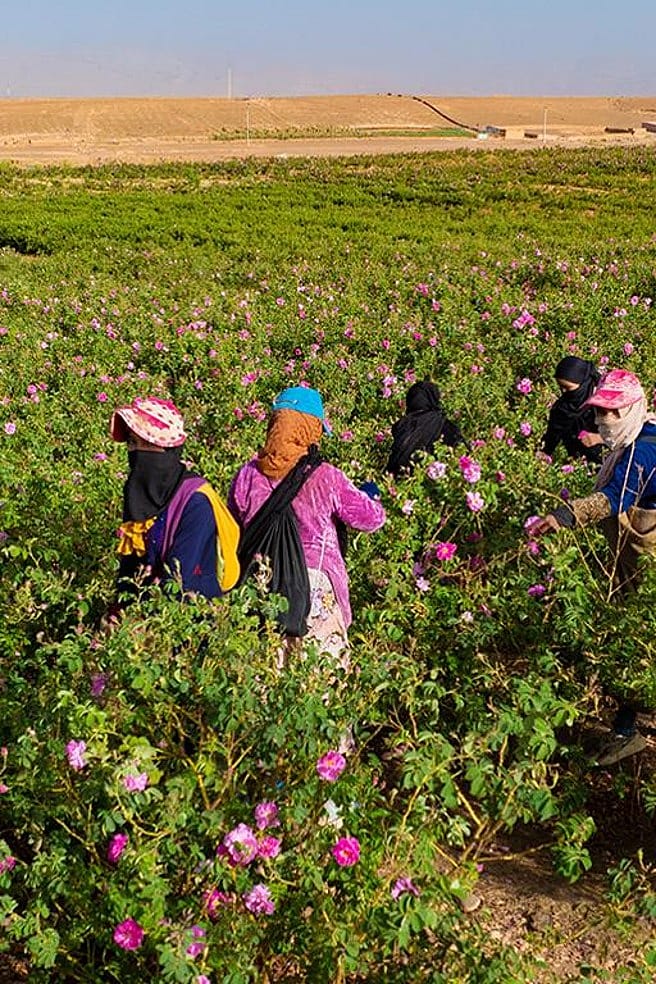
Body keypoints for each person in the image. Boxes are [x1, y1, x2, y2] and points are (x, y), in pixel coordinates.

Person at [529, 369, 656, 764]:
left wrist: (564, 516)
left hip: (647, 560)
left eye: (613, 413)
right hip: (632, 558)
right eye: (600, 413)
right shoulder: (632, 442)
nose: (604, 421)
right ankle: (624, 726)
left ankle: (626, 731)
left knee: (637, 637)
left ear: (633, 409)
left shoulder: (644, 450)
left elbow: (616, 496)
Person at [228, 386, 385, 659]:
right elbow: (370, 519)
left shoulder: (248, 474)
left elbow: (233, 526)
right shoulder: (325, 476)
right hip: (315, 585)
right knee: (319, 677)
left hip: (261, 579)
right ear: (311, 428)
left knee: (266, 674)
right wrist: (372, 496)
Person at [110, 396, 240, 608]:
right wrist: (118, 611)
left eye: (143, 443)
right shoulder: (139, 494)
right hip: (147, 614)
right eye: (132, 443)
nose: (134, 452)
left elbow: (180, 581)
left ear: (165, 450)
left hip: (191, 618)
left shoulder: (197, 502)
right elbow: (131, 563)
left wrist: (141, 625)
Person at [385, 379, 465, 478]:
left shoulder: (401, 425)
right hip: (435, 481)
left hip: (400, 479)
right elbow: (462, 453)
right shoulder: (446, 425)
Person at [542, 356, 604, 464]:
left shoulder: (603, 400)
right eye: (560, 387)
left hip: (609, 460)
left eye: (567, 387)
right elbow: (552, 435)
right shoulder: (562, 408)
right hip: (580, 464)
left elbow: (625, 433)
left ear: (583, 382)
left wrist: (599, 438)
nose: (563, 391)